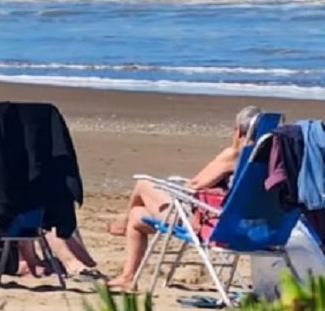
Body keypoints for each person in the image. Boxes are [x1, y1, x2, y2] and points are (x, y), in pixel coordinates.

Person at [106, 105, 261, 290]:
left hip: (206, 222)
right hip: (243, 227)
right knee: (137, 215)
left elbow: (193, 186)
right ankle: (128, 277)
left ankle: (122, 228)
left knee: (143, 184)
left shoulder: (234, 155)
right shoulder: (265, 158)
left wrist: (172, 187)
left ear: (238, 132)